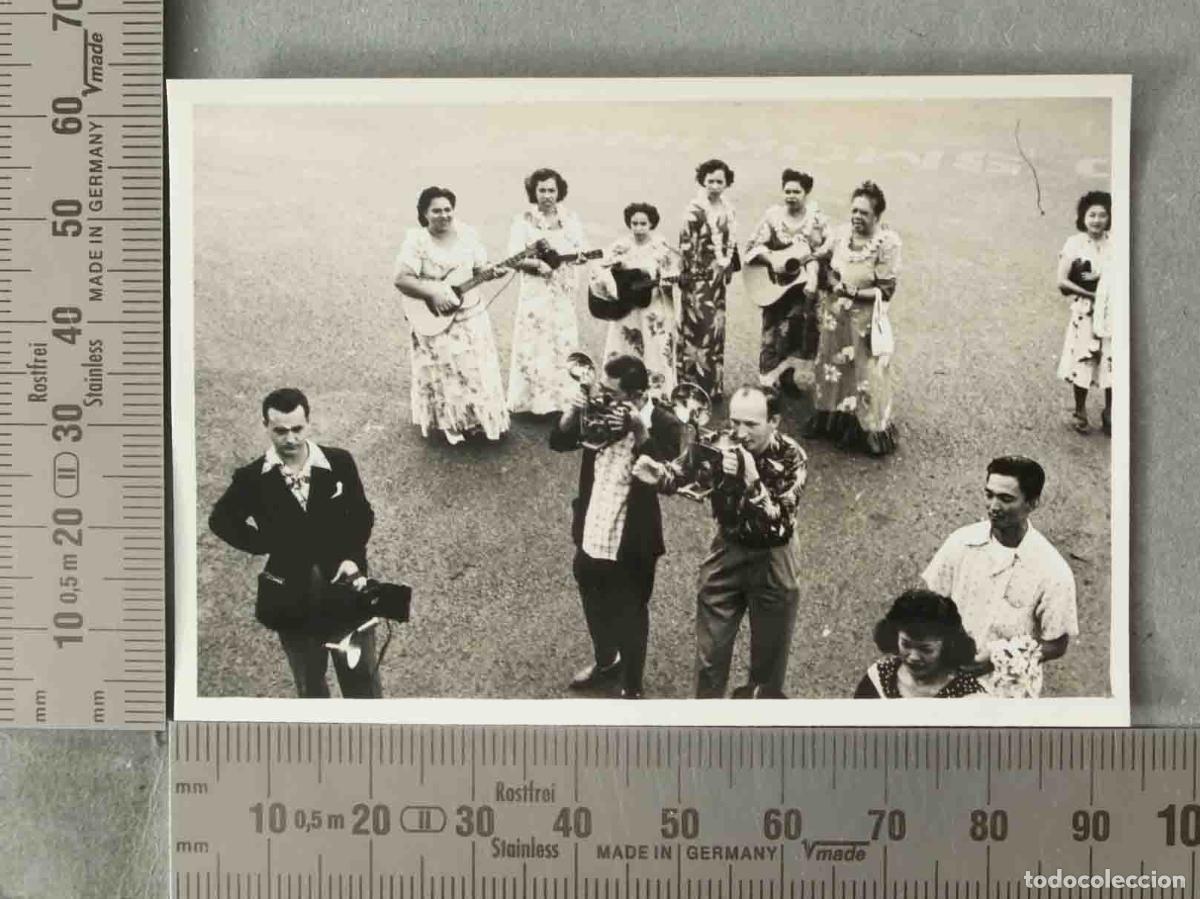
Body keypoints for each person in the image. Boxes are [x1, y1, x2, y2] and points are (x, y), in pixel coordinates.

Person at [634, 385, 807, 698]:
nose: (739, 433)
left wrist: (752, 479)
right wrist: (659, 475)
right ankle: (706, 727)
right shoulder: (717, 443)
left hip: (774, 556)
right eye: (735, 422)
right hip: (728, 548)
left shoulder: (792, 457)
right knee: (709, 658)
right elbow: (683, 474)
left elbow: (780, 523)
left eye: (751, 425)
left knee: (768, 665)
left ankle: (759, 731)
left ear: (775, 422)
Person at [209, 388, 382, 698]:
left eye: (297, 429)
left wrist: (352, 558)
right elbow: (221, 520)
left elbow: (361, 515)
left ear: (309, 423)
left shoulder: (339, 462)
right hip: (293, 601)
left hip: (347, 594)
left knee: (362, 682)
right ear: (266, 426)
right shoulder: (251, 479)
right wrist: (264, 542)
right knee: (310, 685)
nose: (290, 439)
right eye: (280, 431)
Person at [550, 355, 684, 699]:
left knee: (631, 608)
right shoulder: (598, 408)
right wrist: (571, 413)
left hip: (633, 534)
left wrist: (641, 433)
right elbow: (559, 442)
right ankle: (607, 660)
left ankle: (633, 685)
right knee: (590, 589)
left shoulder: (665, 423)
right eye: (601, 391)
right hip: (594, 520)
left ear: (637, 395)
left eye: (612, 393)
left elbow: (669, 477)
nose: (602, 397)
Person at [921, 455, 1078, 692]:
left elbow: (1057, 643)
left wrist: (999, 657)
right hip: (947, 674)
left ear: (1033, 503)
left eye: (1006, 499)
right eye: (989, 495)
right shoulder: (961, 542)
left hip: (1007, 689)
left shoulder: (1053, 571)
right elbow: (930, 599)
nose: (993, 507)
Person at [393, 186, 510, 445]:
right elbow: (401, 279)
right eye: (436, 211)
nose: (444, 215)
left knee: (475, 368)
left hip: (470, 312)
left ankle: (478, 419)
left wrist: (492, 271)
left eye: (448, 210)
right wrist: (433, 294)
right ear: (424, 214)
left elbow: (479, 268)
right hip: (433, 316)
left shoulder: (467, 235)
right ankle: (449, 423)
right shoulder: (417, 241)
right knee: (444, 371)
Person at [804, 180, 902, 456]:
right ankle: (830, 419)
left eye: (865, 213)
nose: (858, 217)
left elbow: (886, 290)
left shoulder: (887, 243)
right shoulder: (841, 234)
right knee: (831, 366)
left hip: (864, 320)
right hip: (835, 316)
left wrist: (853, 291)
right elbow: (821, 257)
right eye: (855, 211)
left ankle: (869, 430)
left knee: (865, 373)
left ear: (877, 216)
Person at [507, 167, 589, 416]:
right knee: (534, 341)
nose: (547, 195)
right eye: (541, 190)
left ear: (559, 191)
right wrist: (537, 265)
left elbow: (582, 248)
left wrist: (580, 257)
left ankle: (562, 400)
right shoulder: (523, 220)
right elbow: (513, 258)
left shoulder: (570, 219)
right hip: (535, 291)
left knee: (561, 340)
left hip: (561, 289)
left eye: (551, 190)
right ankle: (532, 402)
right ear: (533, 192)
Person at [744, 169, 830, 394]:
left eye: (797, 192)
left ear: (807, 192)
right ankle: (768, 384)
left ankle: (788, 378)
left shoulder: (817, 220)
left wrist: (813, 267)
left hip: (802, 289)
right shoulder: (773, 217)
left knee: (797, 332)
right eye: (787, 191)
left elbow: (826, 250)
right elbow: (752, 246)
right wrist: (771, 259)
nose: (791, 196)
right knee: (772, 334)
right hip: (775, 287)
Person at [596, 202, 680, 400]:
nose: (638, 228)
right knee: (624, 346)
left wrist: (668, 282)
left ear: (652, 224)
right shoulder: (619, 246)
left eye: (643, 223)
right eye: (634, 223)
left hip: (652, 308)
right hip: (626, 308)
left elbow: (671, 274)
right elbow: (601, 272)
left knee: (655, 348)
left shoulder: (662, 248)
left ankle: (657, 394)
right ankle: (617, 390)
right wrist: (615, 272)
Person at [676, 159, 738, 402]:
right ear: (702, 181)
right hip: (698, 279)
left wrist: (728, 266)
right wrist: (689, 278)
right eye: (710, 180)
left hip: (717, 278)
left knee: (716, 330)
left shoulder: (728, 208)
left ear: (727, 183)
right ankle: (691, 387)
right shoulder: (694, 210)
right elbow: (685, 245)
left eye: (719, 181)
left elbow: (730, 242)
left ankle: (712, 387)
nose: (714, 185)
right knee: (698, 328)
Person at [854, 589, 985, 699]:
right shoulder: (880, 675)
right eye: (906, 644)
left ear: (947, 646)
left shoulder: (968, 695)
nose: (914, 657)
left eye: (926, 649)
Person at [1056, 190, 1114, 436]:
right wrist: (1093, 295)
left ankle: (1111, 412)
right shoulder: (1074, 243)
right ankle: (1080, 410)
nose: (1097, 220)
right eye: (1092, 215)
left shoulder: (1118, 242)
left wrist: (1104, 281)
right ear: (1083, 217)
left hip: (1113, 310)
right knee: (1084, 358)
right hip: (1086, 309)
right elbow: (1062, 282)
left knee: (1113, 361)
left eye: (1103, 215)